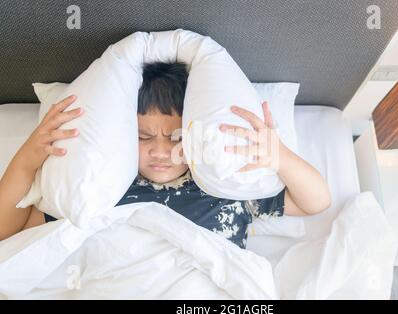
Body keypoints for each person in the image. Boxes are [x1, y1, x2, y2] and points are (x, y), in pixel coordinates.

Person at [0, 62, 331, 249]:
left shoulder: (228, 187)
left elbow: (315, 202)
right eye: (142, 137)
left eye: (177, 138)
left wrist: (280, 157)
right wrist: (29, 156)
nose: (160, 151)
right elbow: (7, 231)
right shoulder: (99, 187)